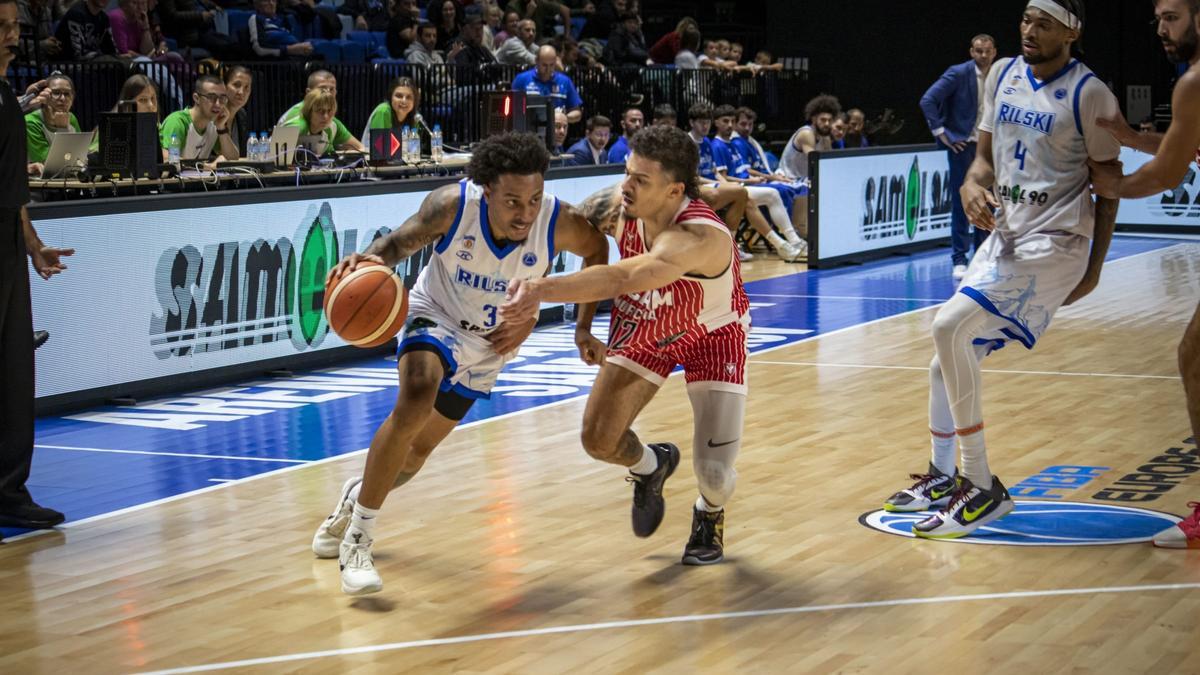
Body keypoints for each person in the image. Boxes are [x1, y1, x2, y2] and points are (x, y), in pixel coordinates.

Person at [311, 132, 609, 595]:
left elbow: (597, 254)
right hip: (436, 314)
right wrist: (365, 262)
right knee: (416, 396)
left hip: (492, 343)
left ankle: (356, 497)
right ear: (486, 189)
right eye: (512, 201)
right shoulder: (452, 206)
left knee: (414, 458)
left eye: (533, 199)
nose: (524, 213)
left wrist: (580, 327)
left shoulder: (560, 221)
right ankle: (359, 539)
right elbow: (395, 246)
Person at [883, 0, 1122, 539]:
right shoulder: (1004, 73)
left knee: (948, 328)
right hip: (1007, 235)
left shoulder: (1091, 93)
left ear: (1073, 32)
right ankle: (943, 475)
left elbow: (1108, 186)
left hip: (1057, 243)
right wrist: (972, 185)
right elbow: (983, 160)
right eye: (1026, 20)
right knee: (943, 360)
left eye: (1044, 23)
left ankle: (981, 485)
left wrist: (1095, 266)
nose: (1030, 31)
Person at [499, 124, 751, 565]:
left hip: (713, 333)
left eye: (640, 180)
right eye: (627, 172)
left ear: (674, 192)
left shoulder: (698, 237)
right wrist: (581, 327)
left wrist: (538, 290)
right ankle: (651, 466)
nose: (625, 185)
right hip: (650, 325)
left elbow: (624, 276)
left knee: (713, 474)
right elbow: (583, 242)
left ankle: (709, 511)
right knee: (598, 439)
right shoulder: (617, 205)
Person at [1088, 0, 1200, 550]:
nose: (1160, 27)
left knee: (1195, 358)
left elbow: (1166, 173)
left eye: (1173, 16)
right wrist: (1132, 140)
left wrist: (1096, 189)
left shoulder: (1194, 81)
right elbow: (1183, 146)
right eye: (1157, 17)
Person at [0, 0, 71, 536]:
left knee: (14, 372)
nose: (11, 38)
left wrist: (31, 243)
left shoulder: (5, 95)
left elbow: (13, 189)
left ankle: (8, 492)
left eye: (13, 27)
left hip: (6, 246)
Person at [920, 34, 998, 280]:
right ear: (971, 52)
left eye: (987, 51)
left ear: (994, 52)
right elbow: (928, 100)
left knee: (988, 202)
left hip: (990, 147)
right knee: (961, 201)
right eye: (978, 51)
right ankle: (959, 258)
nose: (983, 55)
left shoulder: (1000, 75)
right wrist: (943, 133)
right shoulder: (959, 73)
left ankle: (981, 255)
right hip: (963, 147)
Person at [689, 103, 800, 262]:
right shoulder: (689, 142)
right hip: (698, 188)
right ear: (692, 123)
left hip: (715, 185)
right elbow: (693, 177)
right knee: (742, 193)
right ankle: (779, 244)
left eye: (707, 121)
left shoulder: (706, 142)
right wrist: (730, 184)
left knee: (754, 196)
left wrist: (725, 184)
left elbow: (715, 172)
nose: (705, 125)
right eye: (701, 122)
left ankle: (788, 242)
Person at [777, 94, 840, 251]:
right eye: (823, 120)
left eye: (829, 121)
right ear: (813, 120)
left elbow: (830, 164)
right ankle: (802, 232)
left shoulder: (825, 138)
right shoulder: (807, 134)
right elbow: (815, 162)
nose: (827, 124)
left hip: (805, 177)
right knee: (817, 187)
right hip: (789, 178)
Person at [159, 75, 238, 162]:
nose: (218, 104)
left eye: (222, 98)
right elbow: (168, 159)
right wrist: (205, 167)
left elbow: (232, 158)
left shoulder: (214, 125)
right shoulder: (177, 122)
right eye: (211, 97)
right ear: (196, 98)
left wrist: (221, 128)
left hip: (198, 174)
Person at [24, 73, 94, 167]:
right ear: (44, 95)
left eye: (67, 94)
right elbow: (52, 166)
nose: (62, 98)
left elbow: (80, 157)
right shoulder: (30, 122)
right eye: (56, 93)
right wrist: (63, 129)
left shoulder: (71, 117)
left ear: (73, 97)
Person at [284, 88, 365, 158]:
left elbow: (361, 149)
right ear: (309, 112)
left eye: (329, 111)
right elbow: (274, 159)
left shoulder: (332, 126)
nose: (326, 116)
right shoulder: (297, 127)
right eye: (320, 111)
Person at [512, 44, 583, 123]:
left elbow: (577, 113)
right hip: (528, 130)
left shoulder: (565, 81)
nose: (548, 69)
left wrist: (562, 118)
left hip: (556, 131)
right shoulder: (521, 79)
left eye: (551, 65)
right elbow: (513, 108)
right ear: (536, 61)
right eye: (544, 65)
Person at [362, 76, 419, 145]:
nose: (404, 101)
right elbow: (379, 148)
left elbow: (414, 149)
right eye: (399, 96)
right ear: (390, 97)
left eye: (409, 97)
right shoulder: (383, 111)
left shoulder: (416, 117)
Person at [222, 66, 253, 159]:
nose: (241, 92)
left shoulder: (242, 115)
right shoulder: (214, 113)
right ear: (224, 86)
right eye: (236, 85)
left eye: (246, 87)